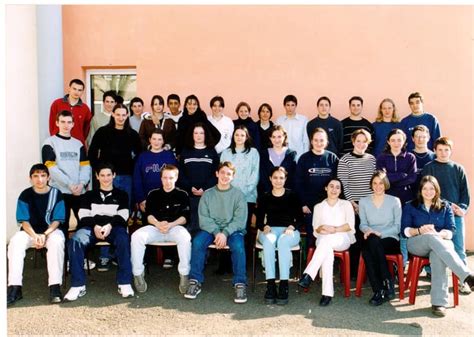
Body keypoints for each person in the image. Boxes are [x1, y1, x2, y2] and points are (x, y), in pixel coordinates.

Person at [401, 175, 474, 317]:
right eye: (425, 188)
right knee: (430, 237)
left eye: (432, 189)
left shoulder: (445, 206)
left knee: (437, 254)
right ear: (420, 190)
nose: (428, 192)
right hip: (417, 243)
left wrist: (439, 235)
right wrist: (420, 230)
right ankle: (466, 276)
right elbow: (404, 231)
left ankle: (439, 303)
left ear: (437, 190)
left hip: (440, 243)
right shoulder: (410, 205)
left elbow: (451, 231)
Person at [64, 163, 134, 301]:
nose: (106, 178)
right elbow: (83, 215)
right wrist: (95, 226)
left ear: (114, 175)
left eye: (109, 175)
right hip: (91, 227)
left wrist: (109, 226)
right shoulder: (88, 195)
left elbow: (123, 215)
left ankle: (124, 282)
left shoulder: (122, 195)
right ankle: (78, 285)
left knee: (123, 239)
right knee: (75, 241)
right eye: (102, 175)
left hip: (113, 227)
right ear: (96, 176)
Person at [184, 162, 248, 303]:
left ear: (233, 177)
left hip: (232, 230)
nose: (225, 176)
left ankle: (240, 283)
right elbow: (204, 219)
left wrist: (224, 233)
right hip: (211, 229)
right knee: (198, 242)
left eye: (229, 174)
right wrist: (216, 232)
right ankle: (195, 281)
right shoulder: (207, 194)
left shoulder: (238, 195)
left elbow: (239, 221)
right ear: (217, 174)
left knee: (238, 246)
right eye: (223, 173)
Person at [88, 103, 142, 271]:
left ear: (127, 116)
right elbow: (92, 153)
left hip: (126, 178)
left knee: (122, 215)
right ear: (112, 115)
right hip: (106, 178)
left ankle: (120, 253)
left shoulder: (132, 134)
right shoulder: (103, 132)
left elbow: (139, 156)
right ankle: (104, 255)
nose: (120, 117)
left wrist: (131, 169)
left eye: (123, 115)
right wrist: (100, 171)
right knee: (103, 214)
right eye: (117, 114)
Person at [7, 164, 66, 305]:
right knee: (15, 242)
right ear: (30, 178)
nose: (39, 179)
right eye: (35, 176)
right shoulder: (25, 195)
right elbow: (23, 221)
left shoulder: (56, 194)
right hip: (30, 232)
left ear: (48, 177)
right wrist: (35, 235)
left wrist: (44, 234)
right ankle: (14, 288)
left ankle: (55, 287)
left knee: (57, 242)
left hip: (50, 231)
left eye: (43, 175)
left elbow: (57, 220)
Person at [131, 165, 191, 294]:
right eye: (165, 178)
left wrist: (171, 224)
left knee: (185, 237)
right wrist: (158, 224)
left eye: (171, 178)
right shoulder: (153, 194)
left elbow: (185, 217)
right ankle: (138, 274)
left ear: (176, 178)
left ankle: (184, 274)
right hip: (155, 228)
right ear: (161, 178)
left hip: (175, 228)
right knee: (136, 236)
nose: (167, 181)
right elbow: (148, 215)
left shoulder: (183, 194)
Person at [422, 137, 471, 293]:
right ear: (435, 150)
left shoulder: (458, 169)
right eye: (440, 150)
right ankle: (432, 275)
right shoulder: (429, 168)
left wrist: (462, 208)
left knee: (458, 247)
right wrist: (447, 205)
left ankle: (464, 281)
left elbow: (465, 193)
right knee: (436, 246)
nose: (443, 153)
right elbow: (427, 191)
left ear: (450, 150)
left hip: (456, 215)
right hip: (436, 213)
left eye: (446, 150)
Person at [298, 178, 355, 307]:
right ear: (326, 188)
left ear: (340, 191)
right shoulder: (318, 206)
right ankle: (327, 293)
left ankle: (308, 274)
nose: (334, 189)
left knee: (326, 243)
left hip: (342, 237)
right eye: (331, 186)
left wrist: (334, 229)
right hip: (323, 238)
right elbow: (315, 229)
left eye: (337, 187)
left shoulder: (346, 204)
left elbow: (350, 226)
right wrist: (321, 228)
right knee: (327, 250)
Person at [256, 167, 302, 305]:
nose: (278, 180)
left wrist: (291, 227)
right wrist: (264, 226)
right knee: (269, 242)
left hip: (289, 231)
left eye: (281, 178)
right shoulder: (265, 196)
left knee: (283, 242)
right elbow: (258, 220)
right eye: (275, 177)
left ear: (285, 179)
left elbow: (300, 218)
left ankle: (283, 285)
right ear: (270, 178)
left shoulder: (292, 195)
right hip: (270, 230)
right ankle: (270, 285)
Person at [42, 110, 91, 235]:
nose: (66, 125)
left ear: (73, 124)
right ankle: (63, 255)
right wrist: (69, 184)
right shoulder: (49, 143)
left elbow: (85, 167)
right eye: (62, 122)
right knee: (61, 227)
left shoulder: (78, 144)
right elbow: (51, 169)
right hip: (60, 192)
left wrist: (81, 184)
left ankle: (81, 253)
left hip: (79, 192)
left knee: (84, 225)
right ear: (57, 123)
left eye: (69, 122)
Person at [359, 170, 402, 306]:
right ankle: (385, 284)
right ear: (371, 185)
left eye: (381, 183)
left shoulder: (394, 201)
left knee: (368, 249)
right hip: (371, 236)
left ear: (386, 184)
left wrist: (379, 233)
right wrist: (367, 230)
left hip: (390, 238)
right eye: (375, 183)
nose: (378, 186)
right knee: (371, 244)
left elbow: (397, 227)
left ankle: (379, 289)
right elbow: (363, 224)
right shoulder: (363, 201)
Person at [337, 129, 376, 276]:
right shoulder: (345, 159)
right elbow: (343, 184)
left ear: (368, 143)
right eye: (358, 141)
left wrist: (367, 205)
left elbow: (374, 184)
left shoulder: (372, 159)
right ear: (353, 142)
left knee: (367, 237)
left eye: (364, 141)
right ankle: (352, 271)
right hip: (351, 205)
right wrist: (353, 204)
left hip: (369, 204)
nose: (361, 144)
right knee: (354, 239)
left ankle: (366, 271)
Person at [296, 128, 339, 248]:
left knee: (327, 237)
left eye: (321, 140)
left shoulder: (332, 158)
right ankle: (312, 264)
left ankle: (327, 264)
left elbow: (337, 183)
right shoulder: (304, 158)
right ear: (311, 141)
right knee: (313, 238)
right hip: (310, 208)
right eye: (316, 140)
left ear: (326, 142)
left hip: (328, 206)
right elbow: (298, 183)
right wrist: (303, 204)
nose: (319, 143)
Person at [220, 126, 260, 249]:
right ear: (233, 136)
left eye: (242, 135)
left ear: (247, 137)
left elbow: (255, 174)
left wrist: (243, 193)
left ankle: (244, 261)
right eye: (237, 135)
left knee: (245, 228)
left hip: (247, 197)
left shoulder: (253, 152)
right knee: (228, 227)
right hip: (228, 197)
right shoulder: (226, 153)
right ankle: (227, 261)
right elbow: (222, 174)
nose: (239, 137)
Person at [178, 123, 219, 235]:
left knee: (204, 228)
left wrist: (205, 189)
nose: (198, 135)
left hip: (207, 196)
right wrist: (189, 187)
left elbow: (216, 174)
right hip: (189, 196)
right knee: (191, 227)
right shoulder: (186, 151)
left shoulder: (211, 151)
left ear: (206, 135)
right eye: (196, 133)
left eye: (201, 133)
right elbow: (180, 173)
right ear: (192, 135)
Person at [133, 129, 178, 215]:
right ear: (149, 140)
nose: (156, 142)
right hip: (147, 198)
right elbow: (137, 179)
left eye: (159, 139)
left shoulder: (169, 156)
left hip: (166, 198)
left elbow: (175, 177)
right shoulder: (142, 157)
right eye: (154, 139)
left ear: (163, 141)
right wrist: (141, 199)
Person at [376, 129, 417, 205]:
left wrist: (392, 181)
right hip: (387, 196)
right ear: (388, 142)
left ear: (404, 141)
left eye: (399, 140)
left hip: (406, 196)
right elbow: (382, 177)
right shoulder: (381, 158)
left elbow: (412, 178)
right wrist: (401, 175)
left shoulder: (410, 157)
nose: (396, 143)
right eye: (393, 140)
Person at [49, 78, 92, 146]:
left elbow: (86, 128)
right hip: (58, 143)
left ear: (82, 92)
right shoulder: (57, 103)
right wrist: (54, 137)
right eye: (74, 89)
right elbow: (52, 123)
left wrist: (80, 137)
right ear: (69, 88)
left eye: (79, 90)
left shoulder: (85, 109)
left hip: (77, 144)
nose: (76, 92)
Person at [258, 125, 297, 194]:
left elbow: (293, 176)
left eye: (279, 137)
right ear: (270, 138)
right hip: (267, 194)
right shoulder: (263, 154)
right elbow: (262, 176)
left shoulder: (291, 154)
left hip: (286, 195)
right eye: (273, 137)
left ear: (284, 137)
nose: (276, 140)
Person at [275, 95, 309, 160]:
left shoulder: (303, 120)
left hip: (299, 156)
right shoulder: (279, 120)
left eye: (292, 105)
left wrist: (305, 157)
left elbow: (306, 140)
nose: (290, 108)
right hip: (282, 156)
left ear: (296, 106)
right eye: (288, 105)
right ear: (284, 106)